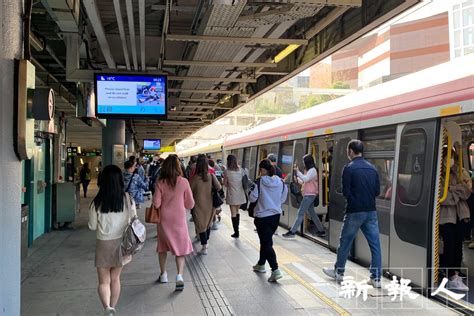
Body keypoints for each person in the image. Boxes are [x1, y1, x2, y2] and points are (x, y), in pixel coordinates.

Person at [323, 140, 382, 288]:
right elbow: (377, 192)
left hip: (354, 211)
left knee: (345, 242)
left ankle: (339, 272)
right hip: (371, 211)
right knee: (375, 245)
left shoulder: (348, 168)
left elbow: (345, 192)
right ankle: (376, 278)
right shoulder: (373, 169)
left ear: (350, 151)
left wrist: (355, 198)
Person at [88, 165, 136, 315]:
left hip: (103, 244)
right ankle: (113, 308)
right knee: (115, 279)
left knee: (104, 281)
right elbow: (134, 219)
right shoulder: (128, 199)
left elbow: (92, 226)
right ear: (120, 180)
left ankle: (107, 308)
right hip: (122, 244)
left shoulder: (97, 202)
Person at [153, 154, 195, 291]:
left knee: (162, 247)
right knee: (180, 249)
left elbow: (156, 203)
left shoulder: (160, 182)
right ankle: (179, 276)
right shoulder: (184, 182)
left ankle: (163, 274)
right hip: (179, 219)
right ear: (178, 166)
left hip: (164, 220)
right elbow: (190, 204)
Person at [249, 159, 288, 282]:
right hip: (275, 217)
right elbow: (283, 199)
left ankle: (275, 270)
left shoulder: (259, 182)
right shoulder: (281, 182)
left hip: (262, 217)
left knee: (267, 243)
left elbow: (252, 197)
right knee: (265, 241)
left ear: (262, 170)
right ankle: (261, 264)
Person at [440, 150, 471, 291]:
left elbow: (467, 191)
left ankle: (455, 273)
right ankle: (450, 274)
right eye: (447, 157)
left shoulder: (461, 172)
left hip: (461, 214)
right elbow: (443, 197)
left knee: (459, 245)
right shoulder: (439, 174)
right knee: (449, 245)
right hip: (446, 215)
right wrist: (456, 193)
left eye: (452, 157)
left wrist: (452, 189)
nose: (450, 160)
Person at [283, 154, 325, 238]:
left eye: (304, 161)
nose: (303, 163)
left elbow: (306, 179)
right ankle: (321, 230)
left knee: (300, 213)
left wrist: (298, 172)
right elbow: (305, 181)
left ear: (307, 162)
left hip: (309, 195)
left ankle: (292, 232)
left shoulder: (312, 170)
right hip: (309, 194)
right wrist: (298, 179)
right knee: (312, 214)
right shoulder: (310, 170)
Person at [190, 154, 222, 255]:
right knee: (207, 224)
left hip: (198, 205)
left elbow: (189, 191)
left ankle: (204, 246)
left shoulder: (194, 178)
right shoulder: (211, 176)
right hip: (210, 204)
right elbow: (219, 187)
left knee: (201, 225)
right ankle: (205, 243)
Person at [223, 154, 247, 238]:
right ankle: (237, 231)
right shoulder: (241, 170)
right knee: (237, 212)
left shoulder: (227, 171)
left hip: (232, 195)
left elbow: (225, 184)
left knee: (233, 213)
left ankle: (236, 232)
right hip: (240, 195)